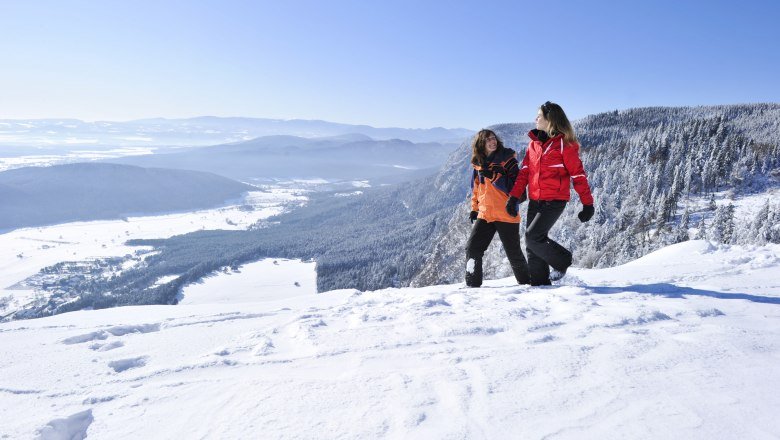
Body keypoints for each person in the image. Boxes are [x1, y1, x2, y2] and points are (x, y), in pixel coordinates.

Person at [505, 101, 594, 286]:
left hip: (554, 200)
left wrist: (587, 204)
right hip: (536, 200)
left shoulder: (564, 145)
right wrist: (513, 197)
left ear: (549, 120)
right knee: (532, 246)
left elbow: (578, 175)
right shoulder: (534, 144)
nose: (535, 119)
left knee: (533, 237)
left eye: (539, 116)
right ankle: (540, 285)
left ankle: (563, 260)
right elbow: (524, 173)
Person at [465, 129, 530, 287]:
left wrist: (495, 177)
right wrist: (475, 208)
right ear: (481, 144)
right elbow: (477, 189)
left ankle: (528, 284)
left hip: (506, 213)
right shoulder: (479, 164)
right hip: (485, 214)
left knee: (513, 253)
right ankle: (472, 287)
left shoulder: (507, 160)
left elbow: (518, 189)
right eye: (488, 140)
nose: (492, 142)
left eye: (493, 138)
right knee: (472, 249)